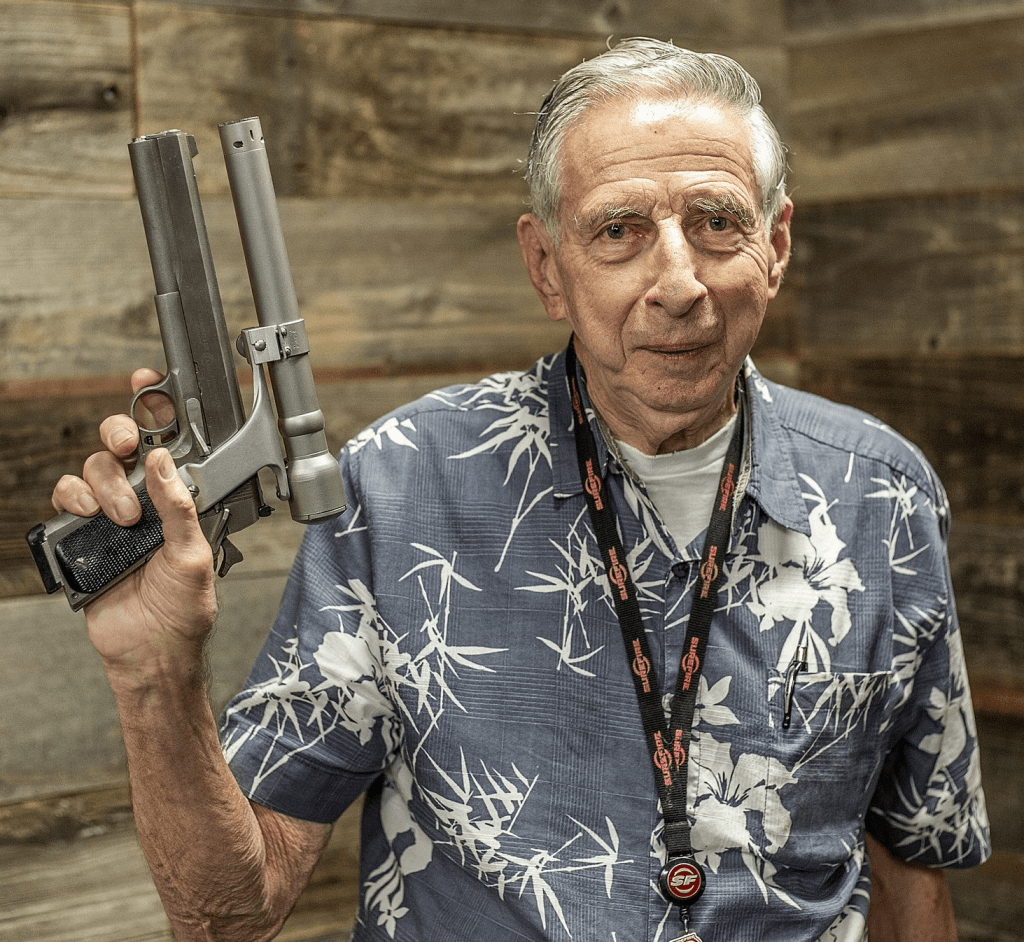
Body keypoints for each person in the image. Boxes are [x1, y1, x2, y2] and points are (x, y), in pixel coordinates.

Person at [52, 38, 988, 942]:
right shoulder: (402, 487)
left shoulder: (886, 499)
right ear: (548, 267)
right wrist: (153, 675)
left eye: (716, 222)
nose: (678, 282)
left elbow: (912, 873)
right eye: (618, 232)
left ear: (775, 244)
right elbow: (228, 917)